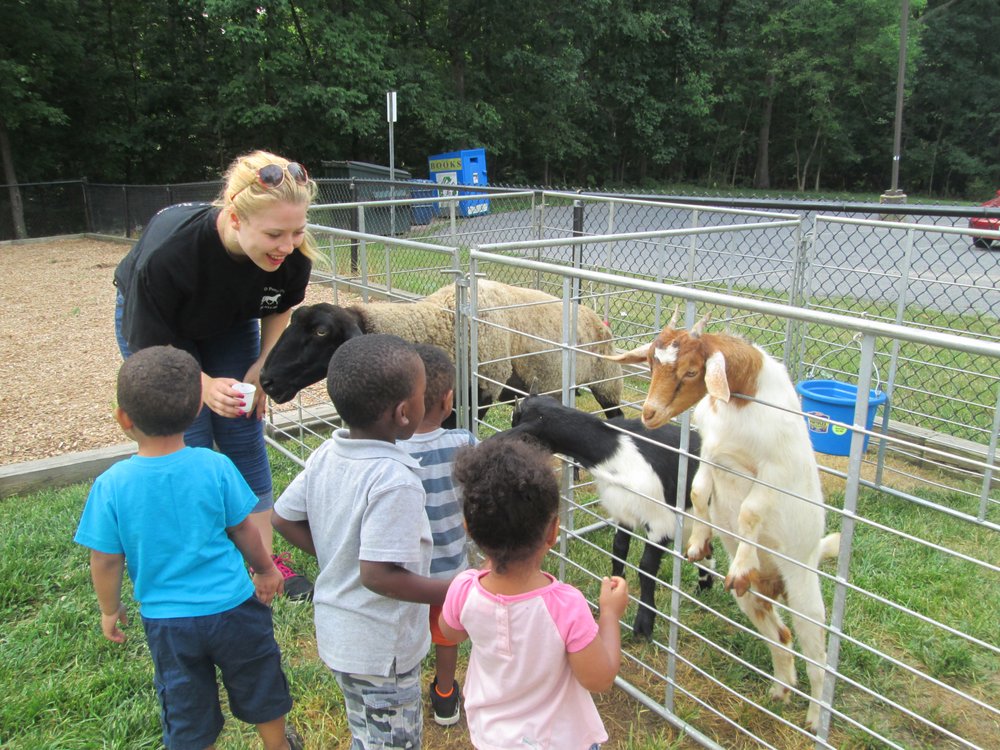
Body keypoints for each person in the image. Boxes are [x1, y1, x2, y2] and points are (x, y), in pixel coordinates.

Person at [74, 346, 302, 750]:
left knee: (184, 702)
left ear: (123, 419)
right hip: (234, 608)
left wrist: (110, 608)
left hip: (169, 622)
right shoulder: (215, 467)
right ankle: (277, 745)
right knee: (260, 679)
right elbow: (244, 530)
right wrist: (266, 570)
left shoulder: (111, 485)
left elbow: (106, 559)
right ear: (199, 410)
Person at [112, 149, 315, 600]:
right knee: (188, 436)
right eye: (275, 233)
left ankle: (262, 559)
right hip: (160, 331)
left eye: (297, 231)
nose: (287, 245)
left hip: (226, 321)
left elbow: (279, 309)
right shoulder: (170, 255)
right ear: (235, 218)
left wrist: (262, 367)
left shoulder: (291, 255)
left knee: (242, 427)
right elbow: (149, 344)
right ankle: (199, 557)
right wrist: (201, 386)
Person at [271, 334, 451, 749]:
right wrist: (459, 588)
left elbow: (283, 517)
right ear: (405, 413)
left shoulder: (327, 454)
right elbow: (378, 575)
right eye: (423, 395)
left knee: (367, 732)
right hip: (381, 647)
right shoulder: (395, 481)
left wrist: (338, 554)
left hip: (341, 632)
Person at [439, 438, 630, 750]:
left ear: (468, 529)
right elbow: (599, 679)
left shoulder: (464, 589)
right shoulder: (565, 606)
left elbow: (451, 631)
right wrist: (609, 614)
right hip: (559, 740)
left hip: (492, 738)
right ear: (553, 531)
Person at [396, 343, 478, 727]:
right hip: (449, 568)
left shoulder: (388, 448)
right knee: (448, 634)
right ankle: (446, 693)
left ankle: (401, 688)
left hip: (401, 570)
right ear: (448, 401)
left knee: (402, 628)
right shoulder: (463, 444)